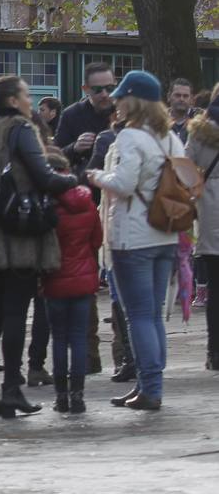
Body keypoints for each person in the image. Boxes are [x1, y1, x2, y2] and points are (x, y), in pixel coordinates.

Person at [0, 75, 78, 418]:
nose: (31, 102)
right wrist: (76, 179)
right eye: (27, 96)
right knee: (15, 313)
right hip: (16, 234)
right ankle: (12, 388)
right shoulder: (20, 128)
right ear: (13, 101)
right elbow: (44, 177)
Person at [86, 70, 185, 411]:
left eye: (120, 96)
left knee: (138, 316)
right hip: (165, 233)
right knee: (153, 315)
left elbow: (124, 184)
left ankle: (150, 389)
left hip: (133, 238)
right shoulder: (170, 137)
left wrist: (97, 176)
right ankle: (148, 385)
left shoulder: (130, 137)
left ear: (134, 100)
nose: (115, 101)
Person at [42, 151, 103, 414]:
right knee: (79, 337)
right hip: (84, 277)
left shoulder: (47, 203)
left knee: (59, 338)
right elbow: (97, 239)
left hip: (55, 278)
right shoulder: (86, 201)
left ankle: (61, 397)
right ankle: (78, 395)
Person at [184, 90, 219, 371]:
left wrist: (198, 189)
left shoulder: (200, 132)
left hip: (210, 211)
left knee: (215, 288)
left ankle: (215, 352)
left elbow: (184, 170)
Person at [54, 61, 117, 172]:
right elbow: (56, 157)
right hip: (86, 184)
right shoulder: (71, 114)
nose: (104, 94)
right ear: (85, 89)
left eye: (110, 88)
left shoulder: (125, 111)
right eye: (97, 90)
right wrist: (75, 148)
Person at [167, 78, 193, 142]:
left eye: (185, 96)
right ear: (168, 97)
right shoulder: (159, 120)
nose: (182, 99)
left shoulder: (200, 122)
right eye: (177, 95)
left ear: (191, 99)